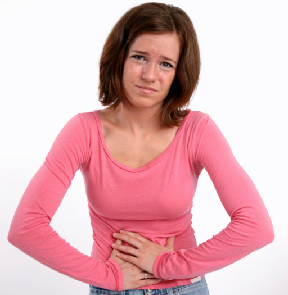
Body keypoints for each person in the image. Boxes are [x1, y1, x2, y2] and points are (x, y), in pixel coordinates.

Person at [8, 2, 274, 295]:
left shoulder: (197, 130)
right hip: (112, 290)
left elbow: (255, 227)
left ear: (178, 73)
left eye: (165, 64)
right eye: (139, 57)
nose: (149, 75)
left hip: (184, 290)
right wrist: (104, 276)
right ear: (119, 58)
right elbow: (26, 228)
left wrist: (167, 265)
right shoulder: (83, 131)